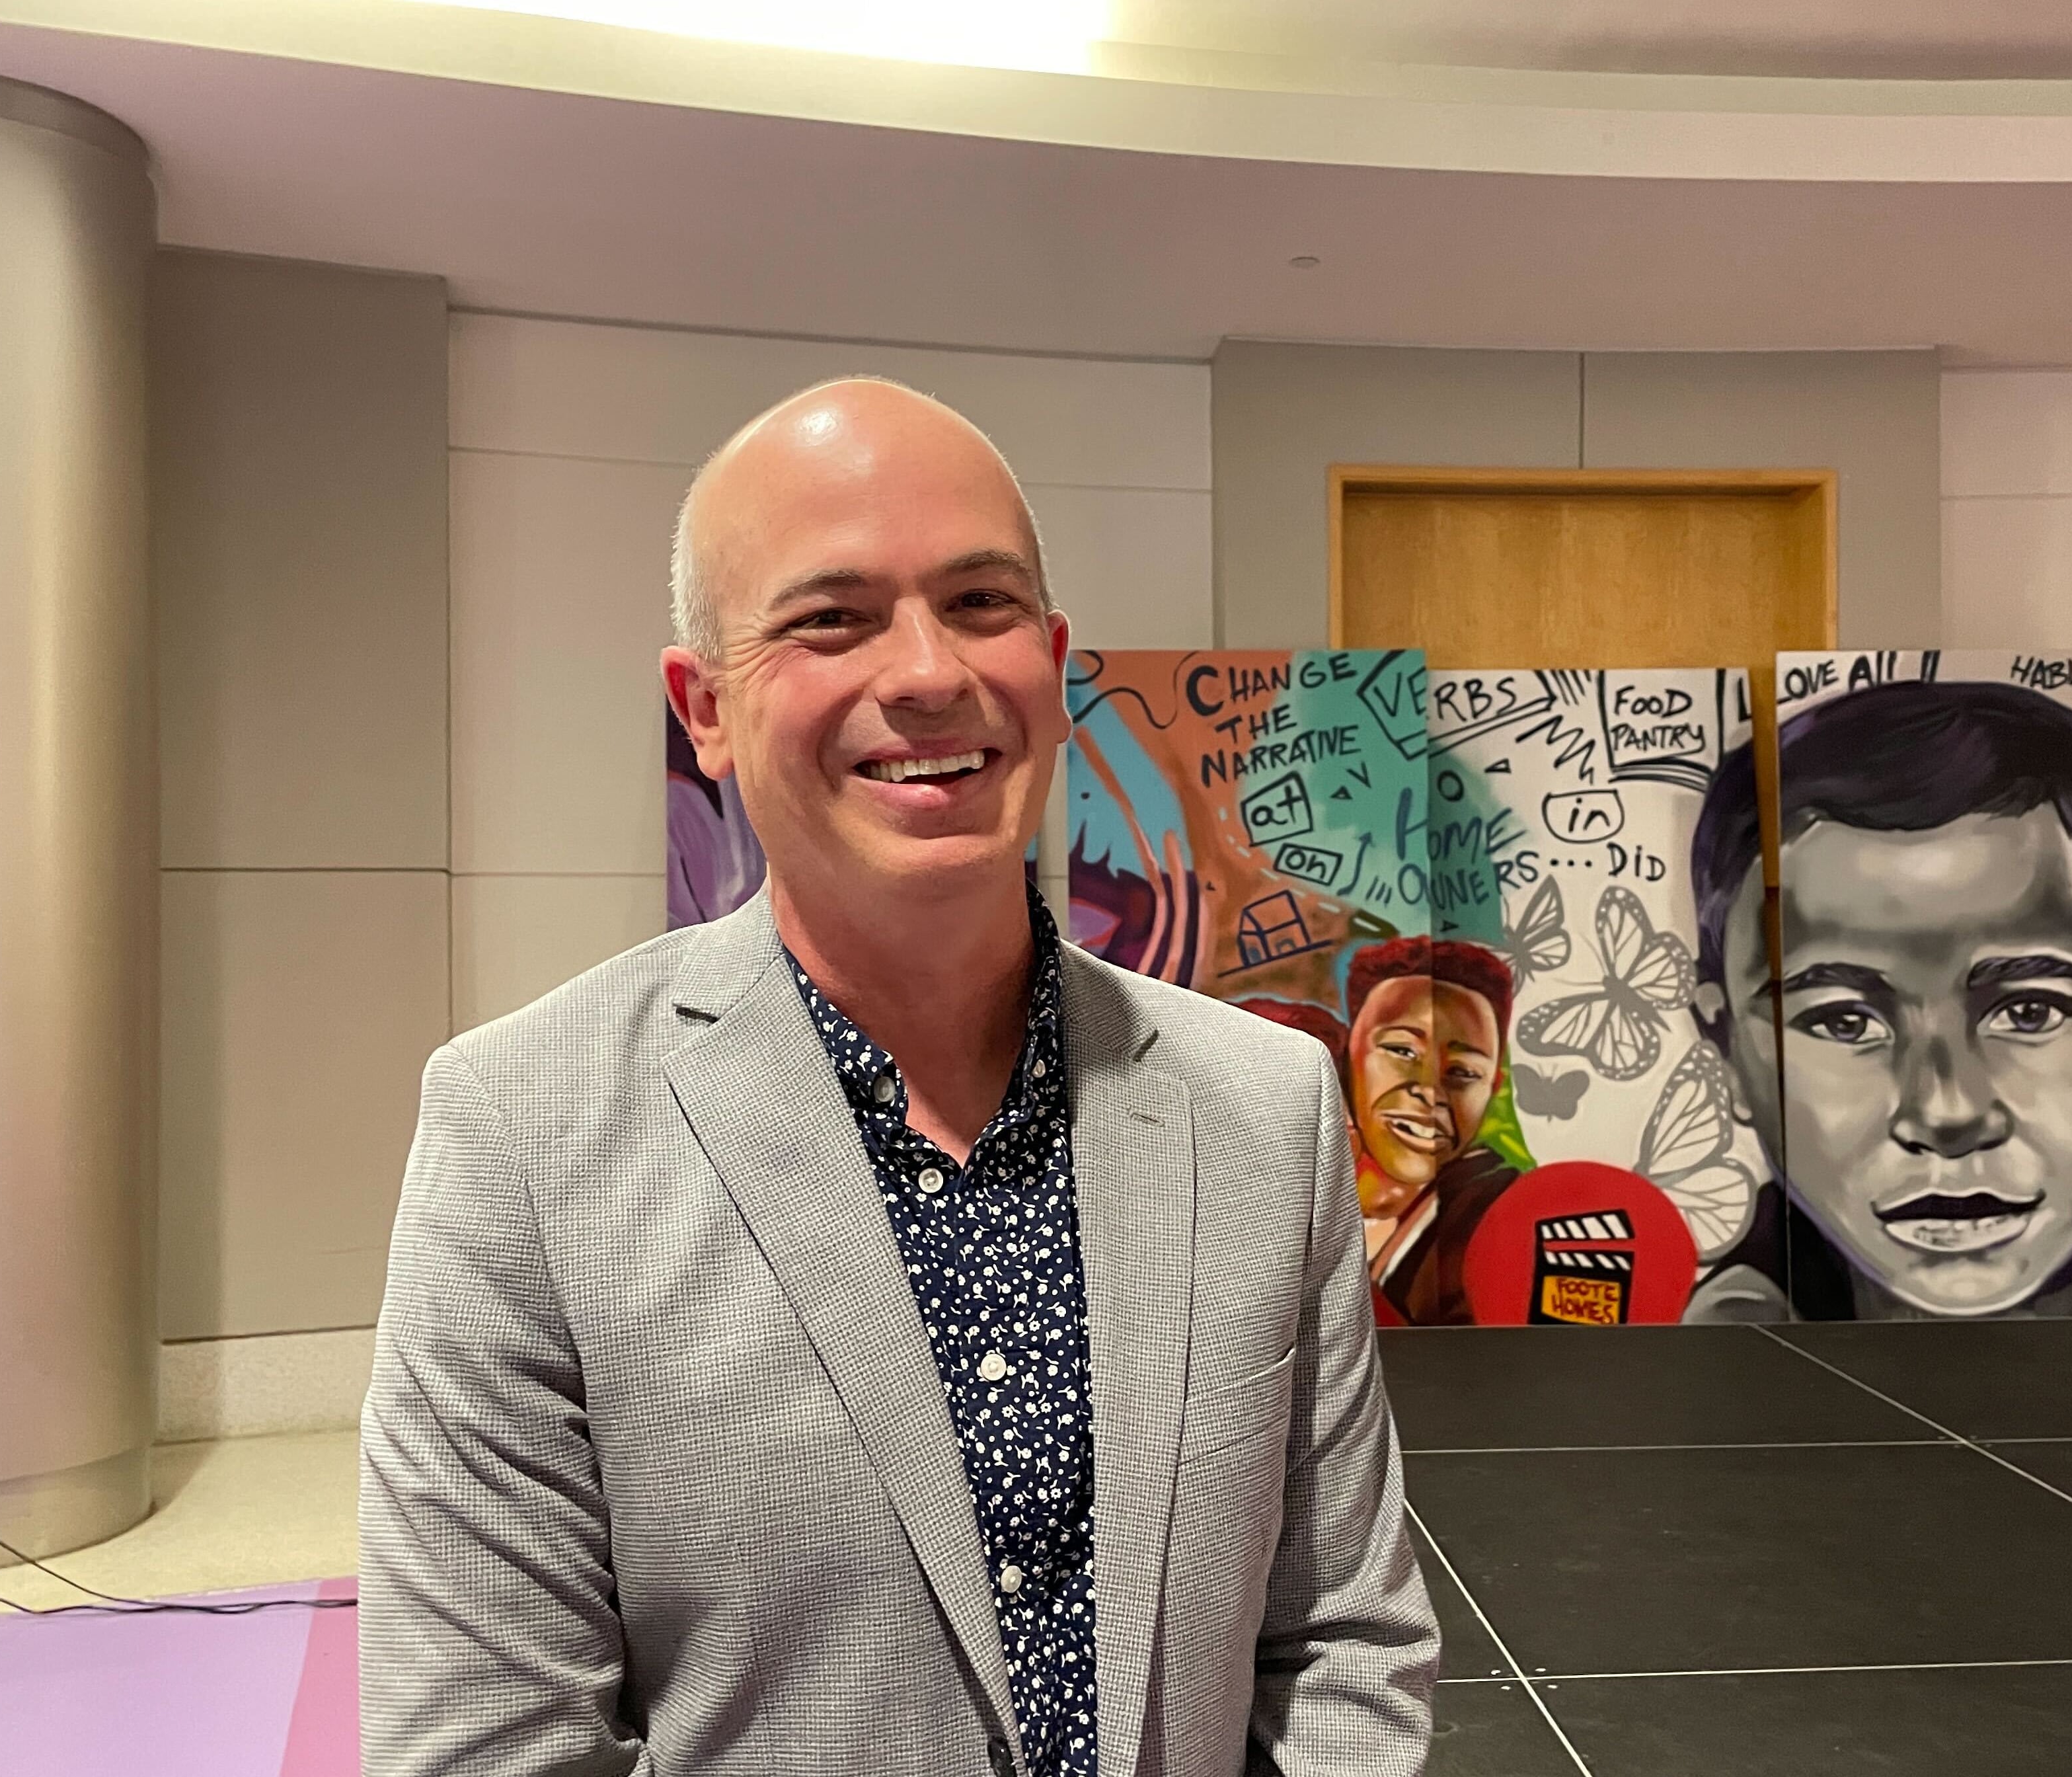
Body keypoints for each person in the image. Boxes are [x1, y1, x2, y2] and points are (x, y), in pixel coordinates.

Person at [359, 379, 1437, 1777]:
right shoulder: (522, 1132)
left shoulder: (1263, 1105)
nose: (929, 671)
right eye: (832, 618)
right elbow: (482, 1743)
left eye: (981, 604)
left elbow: (1345, 1643)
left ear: (1052, 663)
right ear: (707, 709)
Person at [1681, 679, 2072, 1325]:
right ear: (1727, 1046)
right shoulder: (1711, 1357)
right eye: (1844, 1021)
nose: (1946, 1111)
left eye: (2029, 1012)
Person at [1339, 937, 1521, 1325]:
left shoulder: (1496, 1225)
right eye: (1403, 1051)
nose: (1431, 1092)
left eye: (1463, 1073)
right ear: (1346, 1053)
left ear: (1492, 1087)